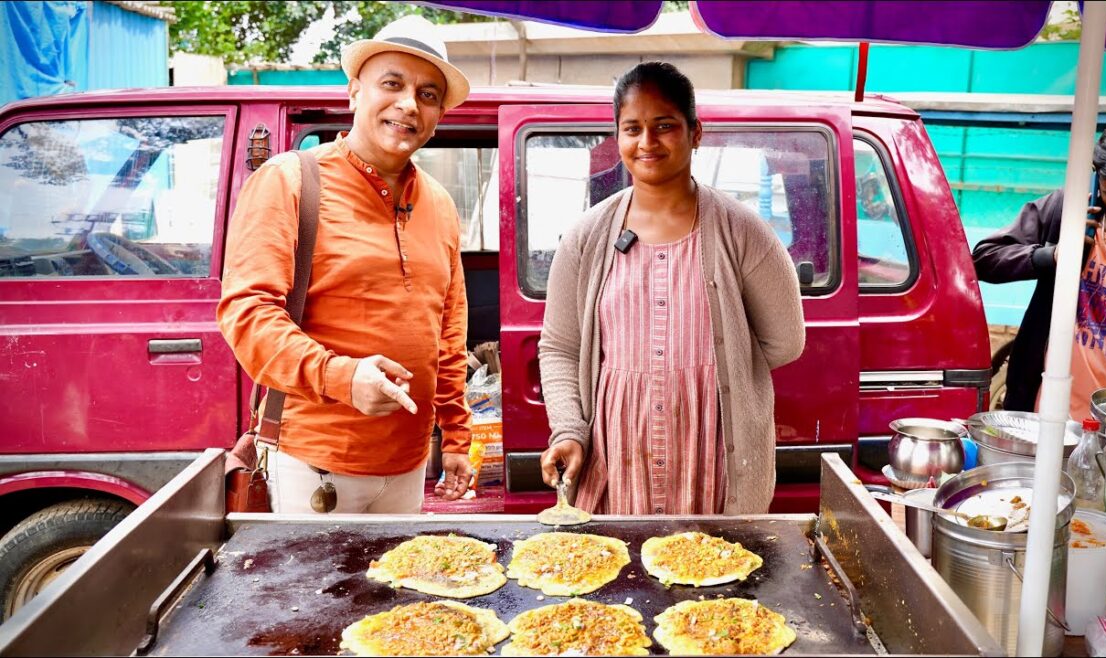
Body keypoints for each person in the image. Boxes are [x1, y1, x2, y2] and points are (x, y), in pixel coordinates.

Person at [217, 15, 474, 513]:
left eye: (427, 94)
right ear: (355, 92)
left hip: (409, 465)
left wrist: (458, 437)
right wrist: (343, 377)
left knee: (400, 592)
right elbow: (246, 314)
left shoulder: (440, 204)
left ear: (439, 113)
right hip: (313, 466)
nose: (408, 105)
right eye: (392, 84)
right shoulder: (290, 181)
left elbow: (447, 330)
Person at [537, 62, 806, 515]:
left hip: (714, 471)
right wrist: (567, 431)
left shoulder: (743, 231)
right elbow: (560, 347)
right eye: (632, 128)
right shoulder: (586, 237)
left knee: (715, 580)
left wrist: (711, 370)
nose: (647, 142)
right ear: (617, 136)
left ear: (695, 132)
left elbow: (786, 341)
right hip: (614, 469)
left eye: (664, 126)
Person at [973, 113, 1106, 419]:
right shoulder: (1064, 212)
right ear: (1096, 176)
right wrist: (1051, 256)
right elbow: (984, 259)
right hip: (1048, 419)